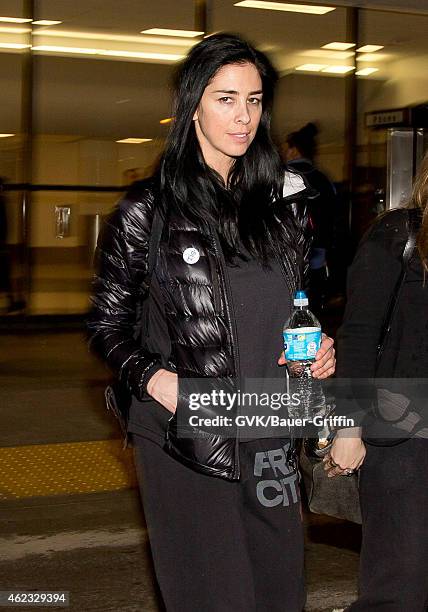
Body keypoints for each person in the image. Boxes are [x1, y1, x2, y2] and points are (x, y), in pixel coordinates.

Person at [88, 33, 335, 612]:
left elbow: (292, 306)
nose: (243, 116)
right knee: (216, 596)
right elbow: (106, 327)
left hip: (272, 427)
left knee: (279, 595)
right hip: (187, 438)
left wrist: (317, 345)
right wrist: (156, 380)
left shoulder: (285, 209)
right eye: (225, 98)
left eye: (253, 100)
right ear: (193, 103)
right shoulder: (146, 210)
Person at [326, 154, 428, 611]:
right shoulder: (401, 233)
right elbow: (359, 334)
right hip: (403, 437)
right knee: (398, 587)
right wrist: (349, 428)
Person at [284, 123, 337, 318]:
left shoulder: (282, 177)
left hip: (286, 257)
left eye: (287, 148)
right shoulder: (324, 180)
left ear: (294, 150)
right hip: (318, 255)